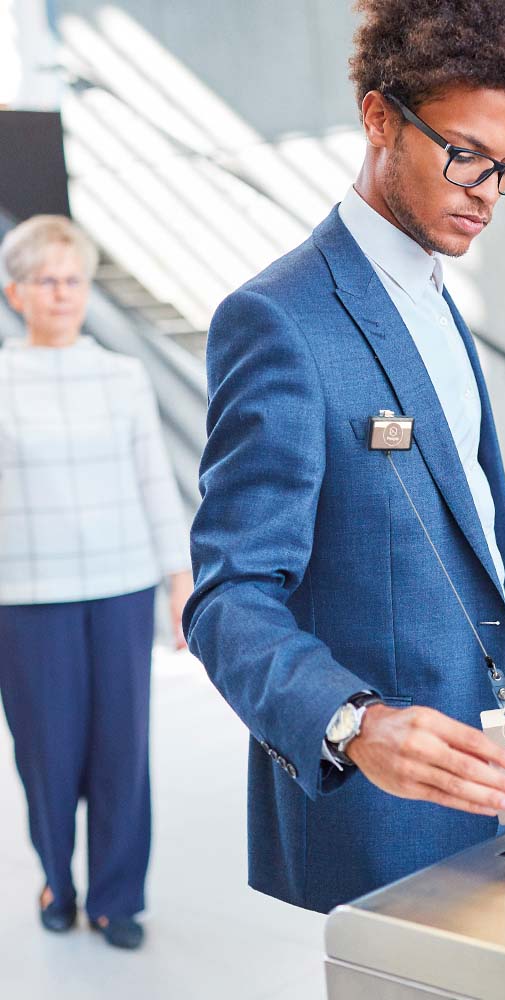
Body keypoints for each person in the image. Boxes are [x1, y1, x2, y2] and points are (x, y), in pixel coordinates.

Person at [183, 0, 505, 913]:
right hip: (381, 797)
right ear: (379, 118)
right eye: (463, 154)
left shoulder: (436, 298)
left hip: (489, 766)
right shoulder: (281, 319)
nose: (486, 189)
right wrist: (353, 722)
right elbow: (228, 594)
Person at [0, 215, 193, 948]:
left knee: (121, 750)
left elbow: (154, 482)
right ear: (17, 293)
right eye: (45, 281)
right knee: (47, 752)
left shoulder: (122, 375)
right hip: (24, 596)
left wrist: (179, 580)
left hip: (120, 585)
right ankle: (57, 876)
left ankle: (117, 896)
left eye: (73, 280)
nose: (61, 294)